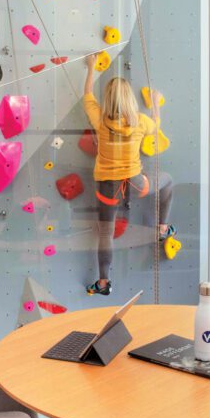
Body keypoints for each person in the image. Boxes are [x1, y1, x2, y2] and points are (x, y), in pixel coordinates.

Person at [83, 54, 175, 296]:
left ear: (108, 99)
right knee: (167, 181)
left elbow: (87, 96)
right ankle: (163, 228)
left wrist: (91, 67)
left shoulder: (100, 121)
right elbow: (156, 123)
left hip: (106, 186)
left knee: (106, 232)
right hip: (136, 183)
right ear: (129, 99)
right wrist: (155, 101)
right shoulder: (140, 122)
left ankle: (103, 283)